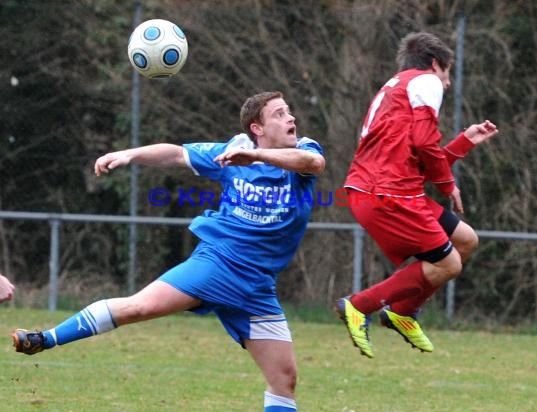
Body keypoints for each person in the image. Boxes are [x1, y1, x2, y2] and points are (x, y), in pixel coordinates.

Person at [12, 91, 325, 412]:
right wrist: (130, 154)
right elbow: (177, 154)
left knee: (284, 380)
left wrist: (258, 157)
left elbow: (313, 164)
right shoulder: (231, 155)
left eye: (289, 111)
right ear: (256, 128)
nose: (291, 118)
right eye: (279, 114)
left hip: (257, 285)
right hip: (219, 264)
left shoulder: (302, 150)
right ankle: (45, 339)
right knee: (139, 307)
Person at [335, 32, 499, 358]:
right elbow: (425, 145)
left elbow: (417, 158)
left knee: (465, 240)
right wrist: (448, 184)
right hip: (387, 194)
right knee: (449, 264)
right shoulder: (427, 82)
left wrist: (463, 142)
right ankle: (358, 306)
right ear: (435, 64)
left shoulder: (398, 88)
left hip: (386, 190)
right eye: (448, 73)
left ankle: (403, 312)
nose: (448, 83)